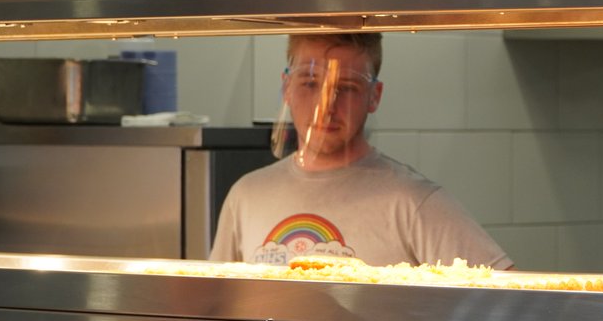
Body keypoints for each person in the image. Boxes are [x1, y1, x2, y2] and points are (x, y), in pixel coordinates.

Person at [210, 33, 512, 270]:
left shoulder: (413, 203)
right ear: (286, 87)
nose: (326, 107)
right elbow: (215, 309)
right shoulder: (247, 196)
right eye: (310, 84)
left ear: (374, 96)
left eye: (347, 88)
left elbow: (506, 298)